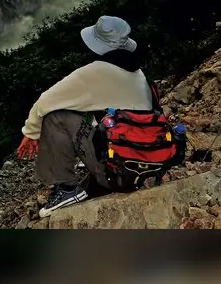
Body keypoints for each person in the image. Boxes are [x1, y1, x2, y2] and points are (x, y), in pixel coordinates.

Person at [16, 15, 155, 217]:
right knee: (94, 114)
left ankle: (65, 188)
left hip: (120, 172)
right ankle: (96, 180)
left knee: (57, 116)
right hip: (149, 163)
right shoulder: (137, 72)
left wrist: (31, 132)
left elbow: (46, 101)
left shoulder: (93, 73)